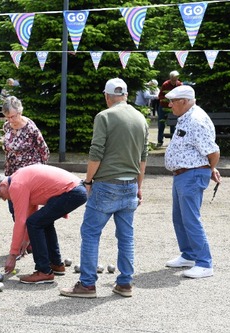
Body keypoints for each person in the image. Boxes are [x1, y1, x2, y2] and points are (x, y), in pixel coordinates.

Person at [60, 78, 148, 298]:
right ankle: (125, 283)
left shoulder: (104, 116)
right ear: (126, 95)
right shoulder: (141, 118)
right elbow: (143, 157)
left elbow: (96, 152)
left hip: (106, 184)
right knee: (126, 237)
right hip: (130, 184)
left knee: (90, 233)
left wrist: (88, 181)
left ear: (107, 96)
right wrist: (139, 186)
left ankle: (87, 284)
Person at [0, 164, 87, 284]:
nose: (3, 199)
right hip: (77, 190)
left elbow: (20, 221)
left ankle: (44, 271)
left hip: (72, 191)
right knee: (42, 221)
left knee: (35, 223)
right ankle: (56, 264)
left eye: (0, 195)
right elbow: (30, 213)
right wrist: (25, 241)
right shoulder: (20, 179)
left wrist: (13, 255)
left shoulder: (16, 185)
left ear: (3, 185)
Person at [163, 85, 221, 279]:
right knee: (179, 218)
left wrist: (209, 169)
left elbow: (213, 152)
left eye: (173, 101)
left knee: (190, 219)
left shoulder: (196, 120)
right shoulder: (186, 116)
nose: (170, 105)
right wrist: (208, 168)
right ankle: (188, 255)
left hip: (191, 175)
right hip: (183, 174)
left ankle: (204, 263)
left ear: (185, 101)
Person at [2, 96, 50, 221]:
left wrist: (40, 173)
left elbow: (44, 151)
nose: (11, 120)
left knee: (27, 212)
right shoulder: (7, 126)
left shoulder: (30, 128)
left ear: (20, 112)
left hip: (28, 176)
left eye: (13, 116)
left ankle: (29, 238)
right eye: (8, 117)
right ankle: (22, 237)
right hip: (12, 174)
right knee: (13, 209)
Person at [157, 71, 182, 147]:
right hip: (164, 107)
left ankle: (172, 142)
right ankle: (160, 141)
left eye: (176, 79)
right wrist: (167, 99)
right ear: (170, 78)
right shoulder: (165, 84)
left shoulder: (179, 85)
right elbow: (160, 96)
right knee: (161, 124)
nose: (174, 81)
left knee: (173, 124)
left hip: (174, 107)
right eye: (173, 79)